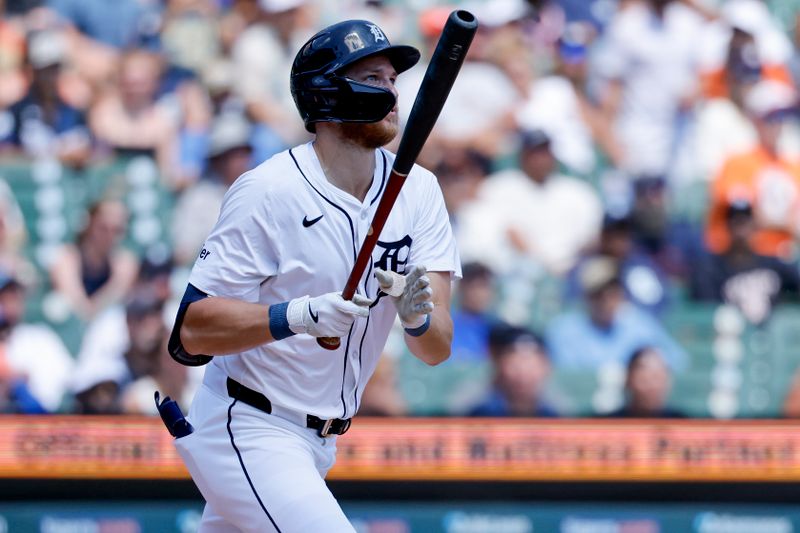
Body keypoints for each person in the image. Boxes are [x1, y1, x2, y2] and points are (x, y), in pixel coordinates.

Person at [166, 19, 459, 532]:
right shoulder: (268, 190)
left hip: (320, 443)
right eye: (371, 77)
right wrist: (297, 316)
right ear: (324, 95)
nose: (391, 92)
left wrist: (417, 319)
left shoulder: (419, 191)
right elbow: (193, 329)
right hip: (249, 424)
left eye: (392, 79)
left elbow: (436, 350)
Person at [546, 255, 688, 372]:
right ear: (587, 297)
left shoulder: (639, 324)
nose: (607, 300)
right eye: (599, 293)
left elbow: (677, 360)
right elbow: (567, 379)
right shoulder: (565, 330)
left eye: (613, 291)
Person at [691, 200, 800, 324]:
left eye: (745, 222)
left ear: (755, 226)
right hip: (733, 337)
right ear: (728, 226)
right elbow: (707, 312)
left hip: (771, 337)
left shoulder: (773, 264)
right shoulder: (711, 269)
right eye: (736, 222)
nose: (741, 228)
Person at [468, 323, 558, 417]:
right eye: (515, 365)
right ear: (499, 366)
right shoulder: (481, 414)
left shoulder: (555, 416)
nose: (523, 374)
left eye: (530, 366)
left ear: (546, 367)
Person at [605, 346, 686, 418]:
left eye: (657, 378)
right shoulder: (607, 425)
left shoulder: (685, 425)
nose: (652, 386)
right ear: (628, 379)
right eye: (644, 379)